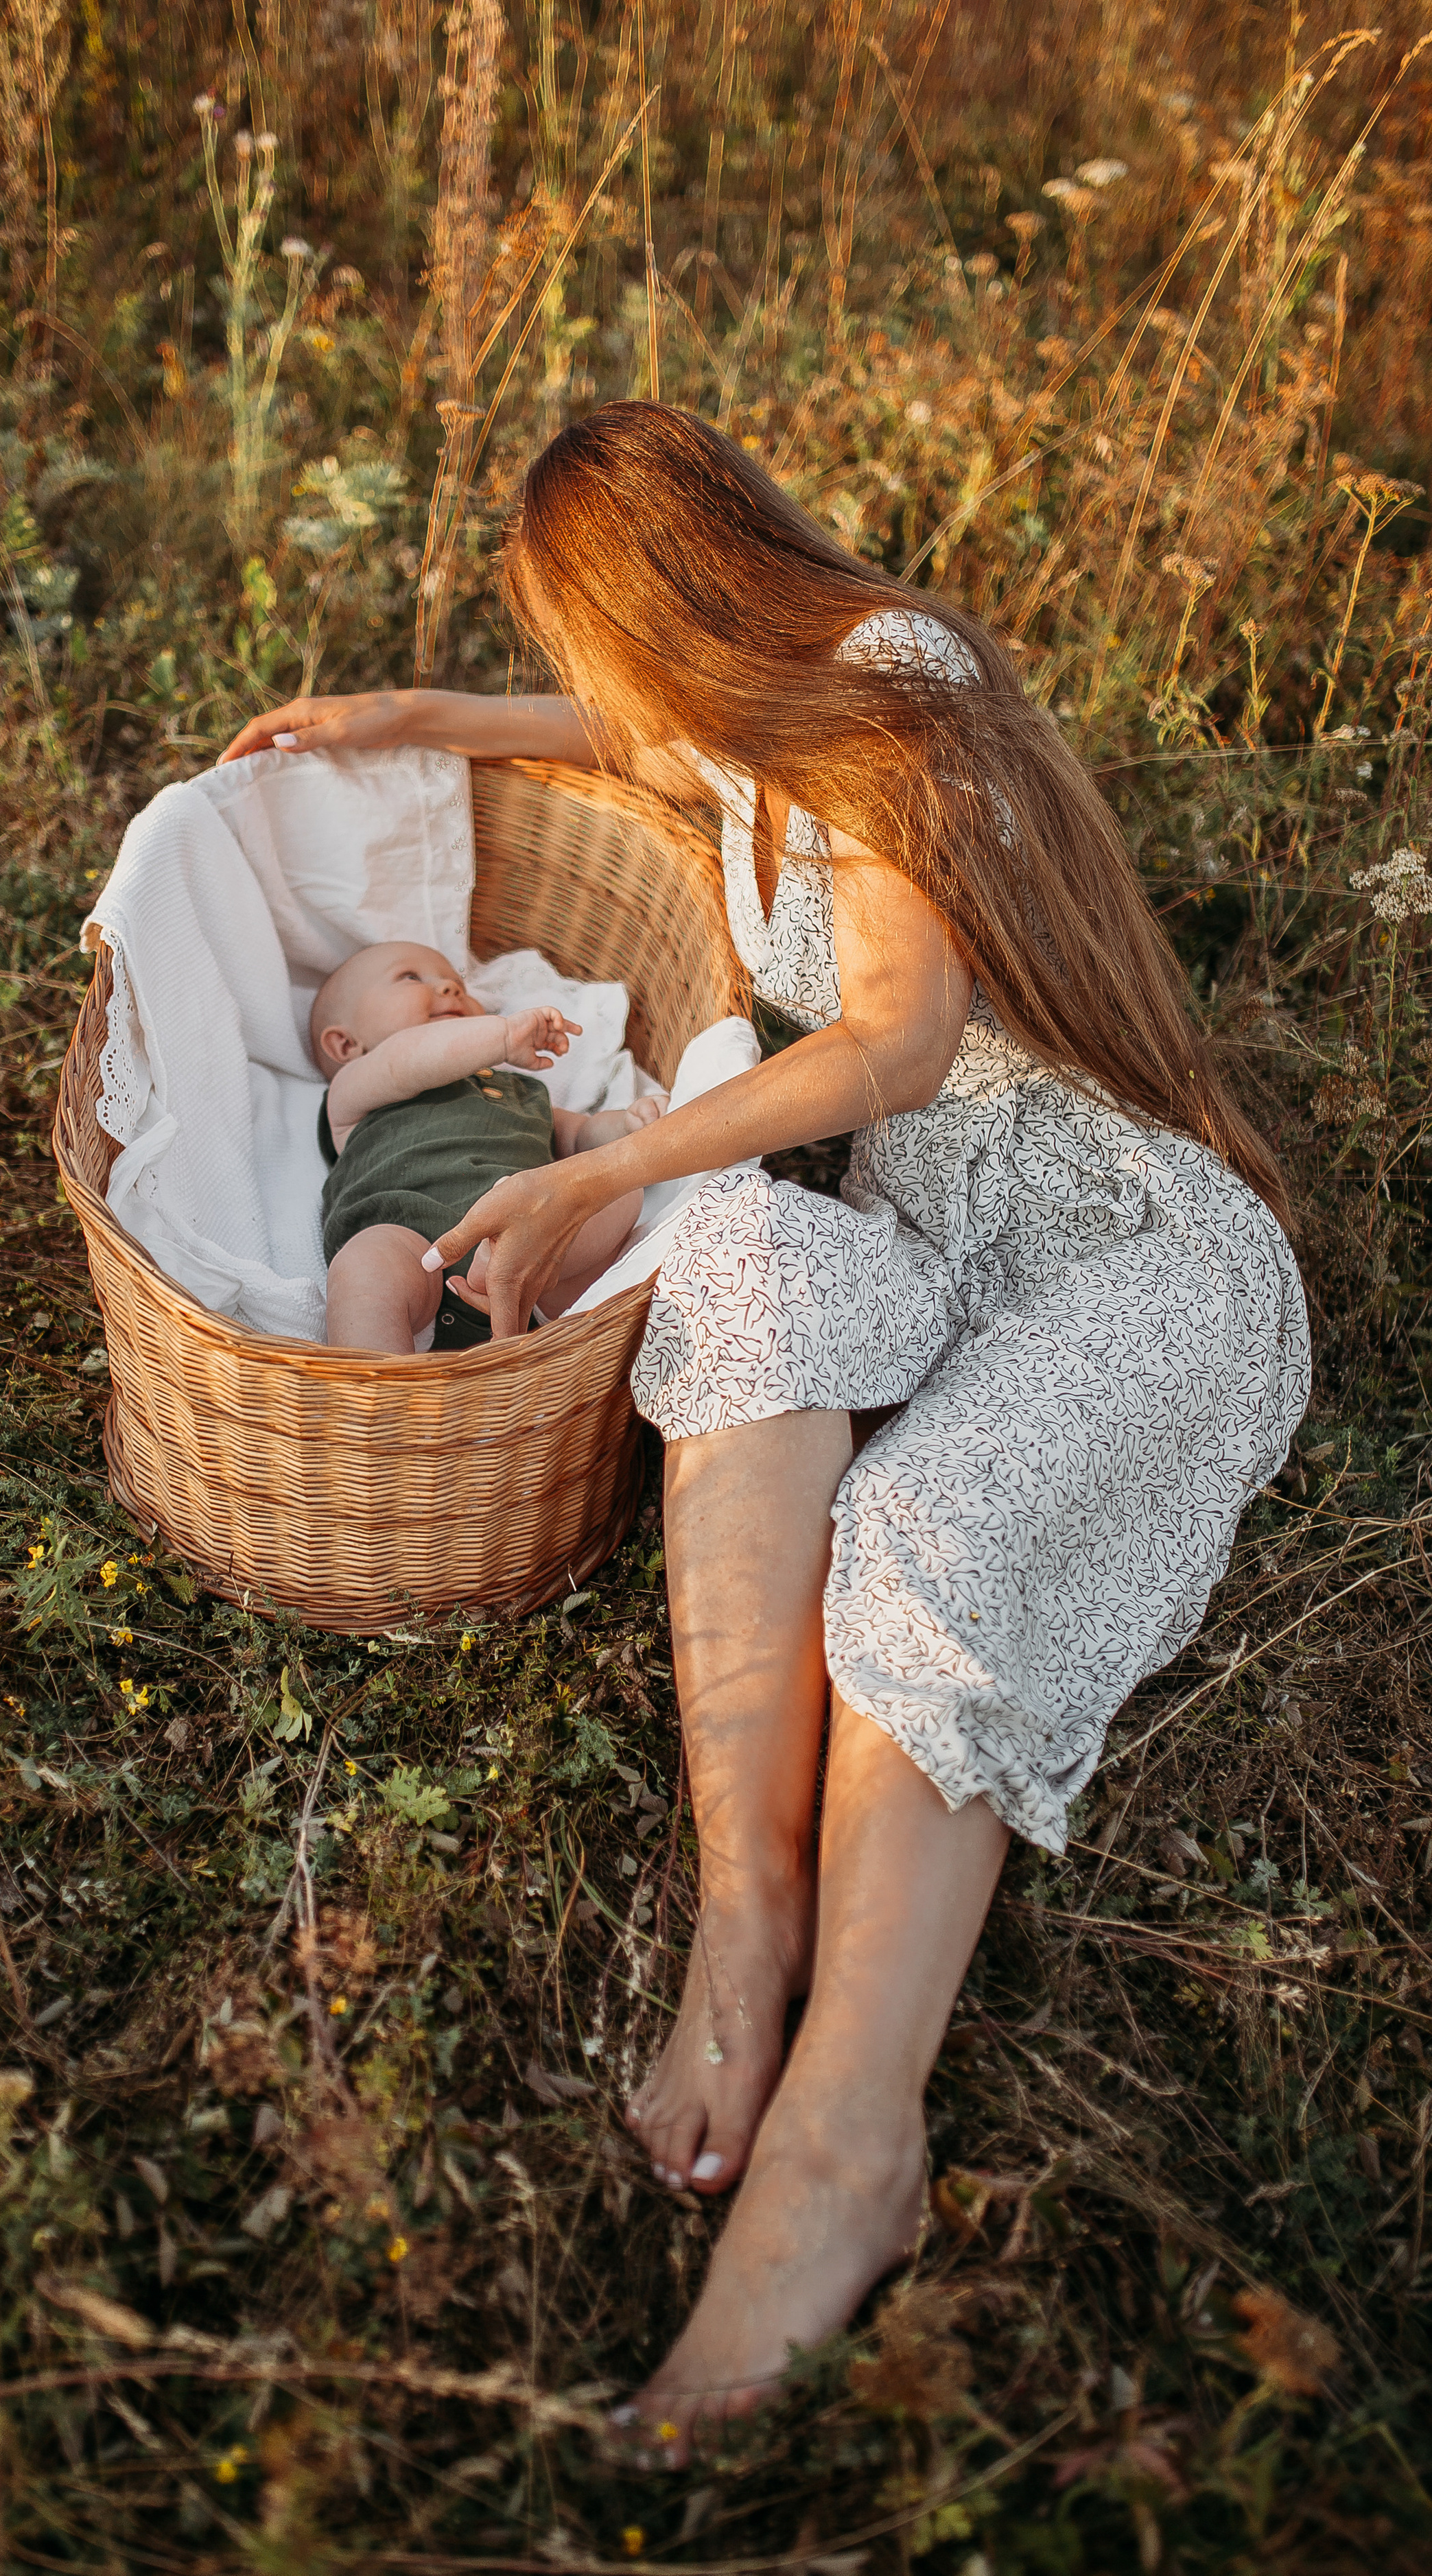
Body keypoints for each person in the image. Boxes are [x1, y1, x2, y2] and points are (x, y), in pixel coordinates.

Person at [221, 402, 1311, 2450]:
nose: (597, 681)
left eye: (579, 628)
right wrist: (416, 709)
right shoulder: (737, 728)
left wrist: (574, 1177)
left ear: (668, 596)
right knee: (729, 1265)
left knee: (910, 1529)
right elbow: (621, 742)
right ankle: (750, 1916)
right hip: (930, 1237)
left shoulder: (899, 678)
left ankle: (846, 2131)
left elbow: (894, 1031)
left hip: (1117, 1250)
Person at [310, 939, 665, 1351]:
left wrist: (625, 1124)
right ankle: (381, 1395)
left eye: (456, 981)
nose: (449, 988)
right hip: (411, 1244)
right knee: (364, 1266)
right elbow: (406, 1059)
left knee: (620, 1186)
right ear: (346, 1045)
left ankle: (534, 1283)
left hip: (533, 1240)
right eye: (411, 977)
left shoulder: (519, 1090)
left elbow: (579, 1138)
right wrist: (499, 1036)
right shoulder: (357, 1091)